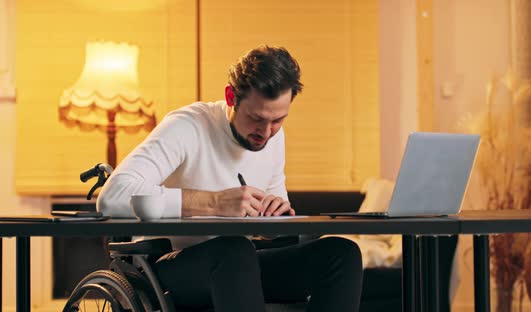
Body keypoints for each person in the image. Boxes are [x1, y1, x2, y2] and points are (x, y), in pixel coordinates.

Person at [97, 45, 363, 312]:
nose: (266, 132)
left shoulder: (272, 136)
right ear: (230, 96)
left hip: (240, 265)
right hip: (169, 266)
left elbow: (275, 207)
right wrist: (214, 203)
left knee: (341, 254)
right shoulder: (188, 126)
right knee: (234, 251)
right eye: (256, 118)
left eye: (278, 120)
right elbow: (112, 196)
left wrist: (276, 214)